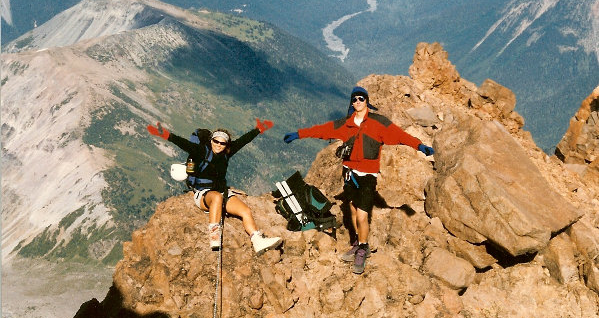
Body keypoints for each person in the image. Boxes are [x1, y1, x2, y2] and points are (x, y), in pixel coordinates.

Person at [283, 86, 434, 274]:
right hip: (349, 175)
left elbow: (400, 136)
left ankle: (363, 248)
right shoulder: (346, 124)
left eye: (361, 99)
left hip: (367, 177)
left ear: (367, 101)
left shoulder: (379, 123)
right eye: (354, 99)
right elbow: (323, 130)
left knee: (362, 216)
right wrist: (299, 134)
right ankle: (357, 243)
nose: (357, 102)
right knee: (353, 212)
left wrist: (419, 146)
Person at [147, 119, 283, 255]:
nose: (218, 145)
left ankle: (258, 241)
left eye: (222, 143)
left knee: (245, 211)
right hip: (203, 194)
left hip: (222, 193)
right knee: (217, 197)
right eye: (215, 141)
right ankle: (214, 237)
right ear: (211, 140)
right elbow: (184, 144)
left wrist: (258, 130)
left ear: (226, 144)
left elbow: (243, 141)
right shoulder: (201, 151)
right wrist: (164, 134)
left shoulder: (226, 153)